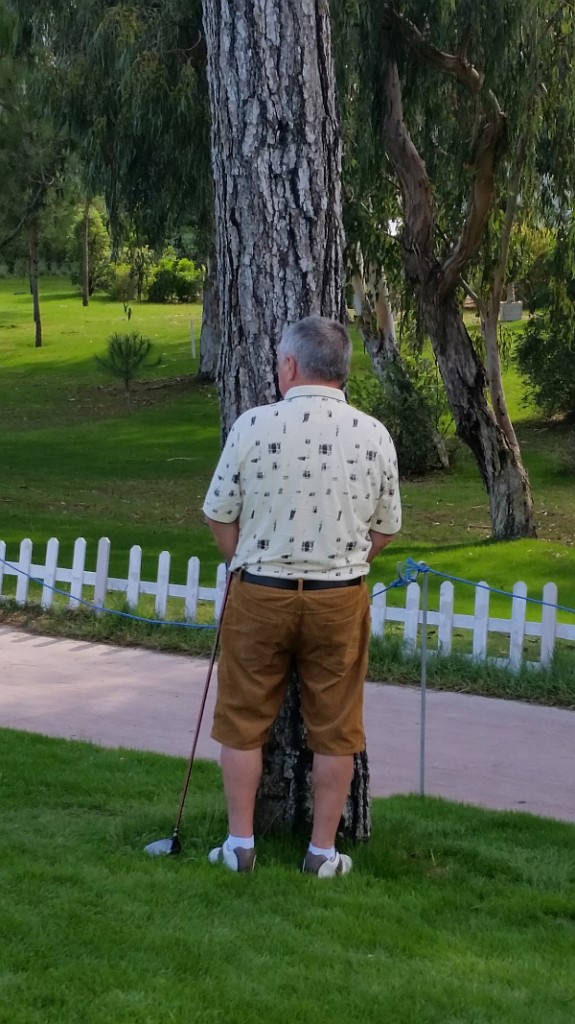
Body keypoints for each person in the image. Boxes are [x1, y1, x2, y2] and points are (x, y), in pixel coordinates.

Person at [202, 315, 401, 877]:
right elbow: (385, 528)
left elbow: (219, 513)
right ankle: (320, 853)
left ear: (289, 366)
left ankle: (240, 846)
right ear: (342, 370)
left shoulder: (252, 424)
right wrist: (344, 562)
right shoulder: (375, 434)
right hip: (339, 595)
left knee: (242, 719)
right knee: (335, 726)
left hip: (259, 591)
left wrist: (246, 559)